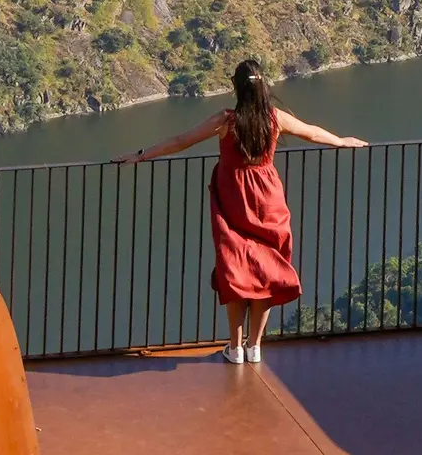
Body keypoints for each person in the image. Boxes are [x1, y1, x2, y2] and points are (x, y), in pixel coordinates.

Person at [114, 59, 366, 365]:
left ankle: (235, 347)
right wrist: (340, 141)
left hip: (233, 200)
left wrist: (141, 155)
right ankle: (255, 346)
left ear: (235, 86)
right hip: (268, 198)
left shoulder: (225, 120)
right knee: (268, 272)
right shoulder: (275, 118)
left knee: (234, 271)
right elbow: (311, 133)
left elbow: (181, 141)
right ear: (263, 88)